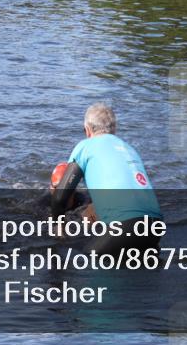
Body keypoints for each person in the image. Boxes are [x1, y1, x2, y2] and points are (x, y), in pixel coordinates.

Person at [51, 103, 162, 254]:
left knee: (82, 258)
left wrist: (58, 232)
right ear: (114, 129)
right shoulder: (129, 148)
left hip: (125, 226)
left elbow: (59, 198)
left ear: (87, 130)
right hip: (155, 227)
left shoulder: (85, 146)